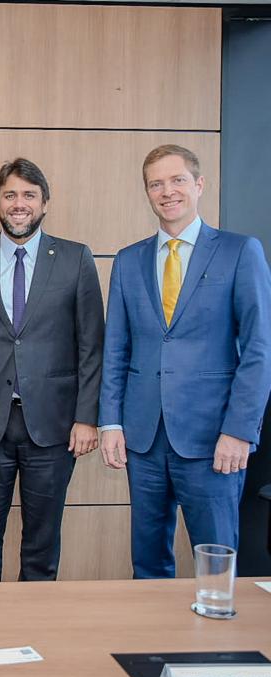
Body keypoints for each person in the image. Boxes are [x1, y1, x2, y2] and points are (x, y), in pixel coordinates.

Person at [100, 145, 271, 578]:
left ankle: (215, 645)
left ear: (198, 185)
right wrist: (111, 423)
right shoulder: (128, 260)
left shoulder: (239, 252)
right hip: (144, 437)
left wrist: (239, 430)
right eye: (155, 184)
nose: (167, 191)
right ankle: (154, 644)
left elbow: (258, 350)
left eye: (177, 180)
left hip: (213, 439)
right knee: (148, 561)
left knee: (215, 562)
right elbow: (116, 349)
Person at [0, 159, 105, 582]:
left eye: (29, 195)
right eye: (10, 195)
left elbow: (92, 345)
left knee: (42, 544)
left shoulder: (75, 258)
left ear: (45, 203)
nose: (19, 204)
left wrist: (87, 417)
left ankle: (33, 632)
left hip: (53, 427)